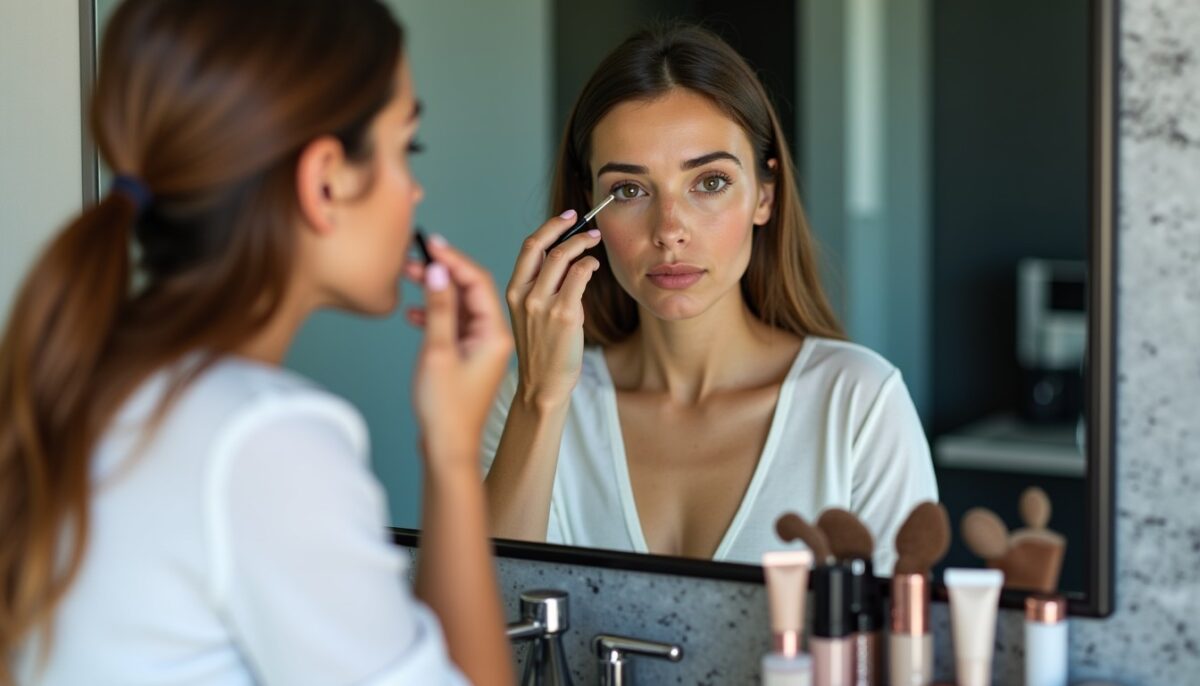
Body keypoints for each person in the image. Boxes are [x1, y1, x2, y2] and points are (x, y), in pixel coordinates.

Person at [0, 1, 514, 684]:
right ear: (324, 178)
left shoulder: (86, 376)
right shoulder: (260, 440)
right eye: (404, 148)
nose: (414, 188)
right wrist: (450, 453)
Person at [483, 25, 938, 572]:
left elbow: (902, 647)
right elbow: (483, 630)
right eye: (629, 190)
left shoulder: (860, 404)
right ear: (588, 208)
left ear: (764, 196)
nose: (669, 230)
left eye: (710, 182)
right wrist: (541, 400)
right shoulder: (530, 399)